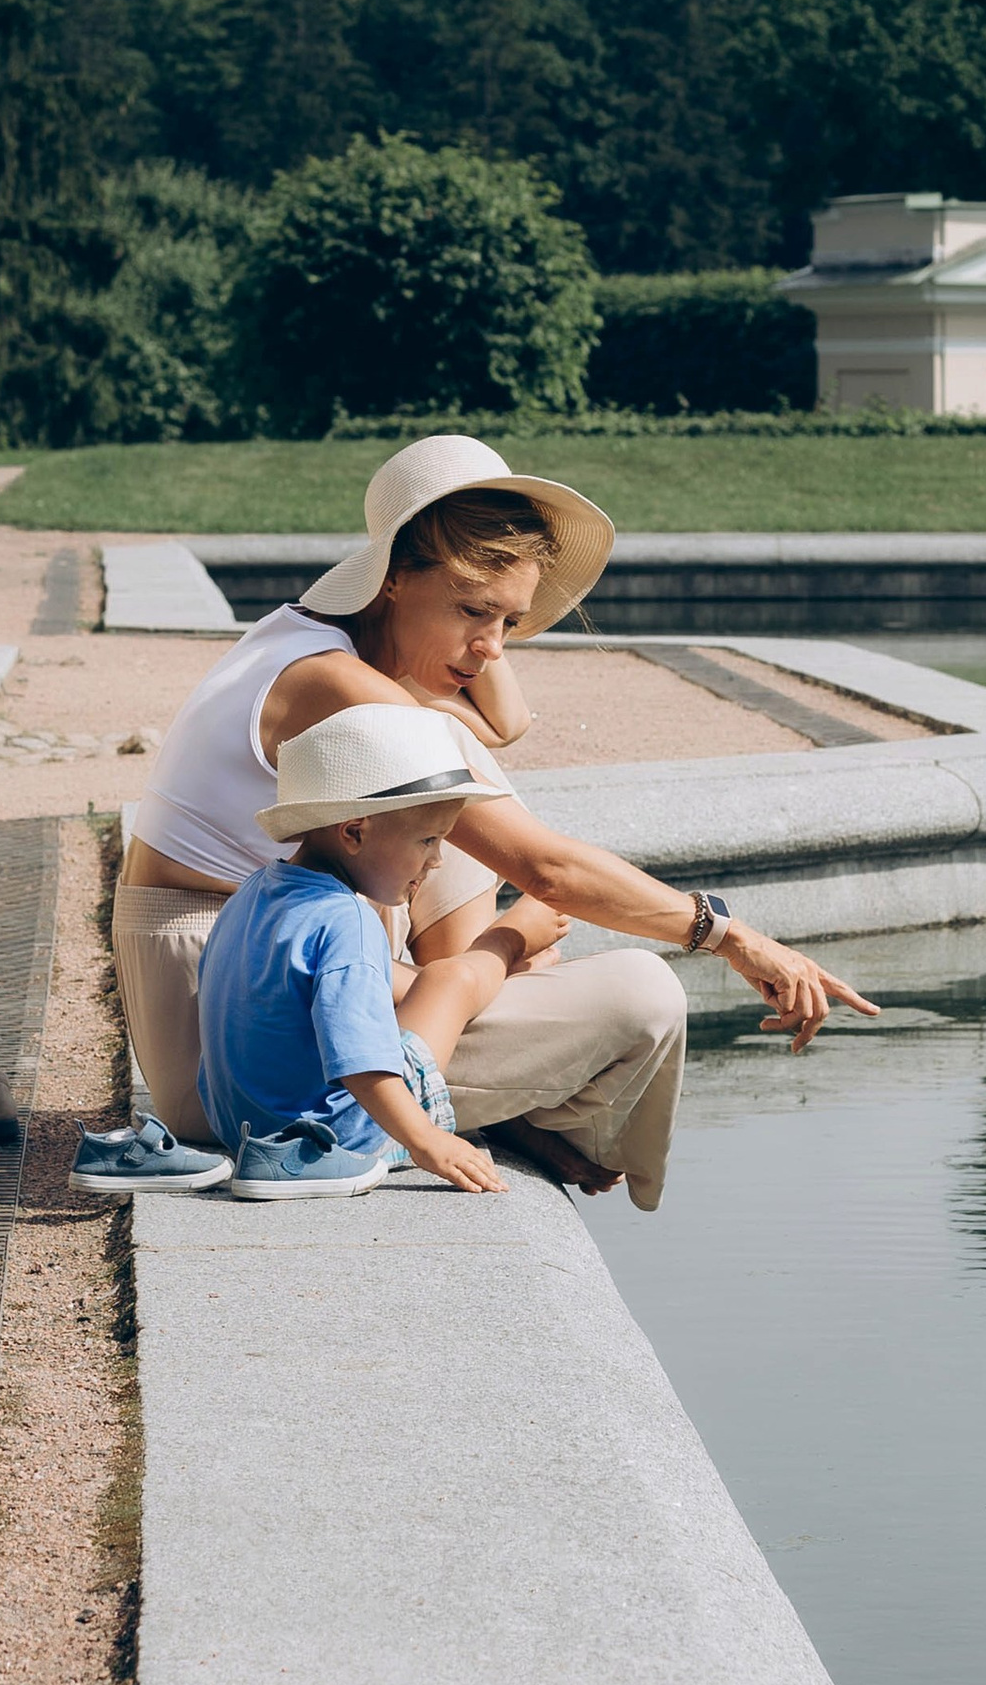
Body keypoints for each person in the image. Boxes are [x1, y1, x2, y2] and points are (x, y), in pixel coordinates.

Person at [83, 432, 873, 1213]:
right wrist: (729, 934)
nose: (491, 648)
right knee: (644, 994)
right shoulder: (339, 687)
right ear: (392, 577)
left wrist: (480, 619)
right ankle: (528, 1100)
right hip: (247, 1049)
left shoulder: (311, 639)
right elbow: (547, 871)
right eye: (471, 610)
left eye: (512, 622)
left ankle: (500, 1082)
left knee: (445, 794)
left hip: (252, 978)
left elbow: (508, 721)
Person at [194, 706, 511, 1203]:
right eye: (428, 839)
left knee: (416, 987)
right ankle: (515, 941)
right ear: (355, 832)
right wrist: (429, 1143)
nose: (438, 859)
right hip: (329, 1139)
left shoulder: (255, 890)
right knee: (448, 981)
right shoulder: (349, 920)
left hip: (241, 1129)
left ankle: (539, 1139)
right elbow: (361, 1063)